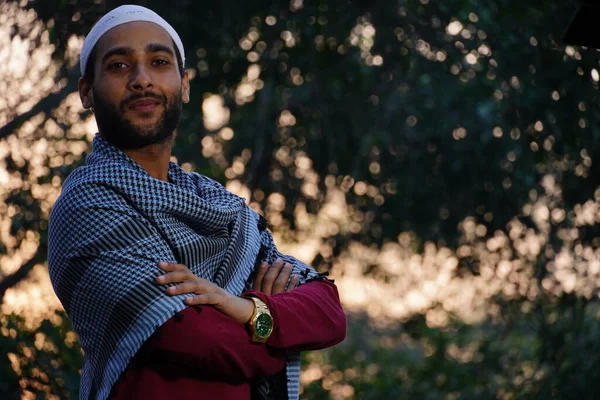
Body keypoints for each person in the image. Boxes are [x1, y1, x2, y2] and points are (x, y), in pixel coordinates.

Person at [47, 5, 346, 400]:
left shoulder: (221, 206)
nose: (141, 80)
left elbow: (328, 311)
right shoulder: (89, 204)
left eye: (158, 62)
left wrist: (246, 309)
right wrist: (282, 333)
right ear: (87, 91)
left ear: (184, 83)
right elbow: (196, 338)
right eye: (119, 66)